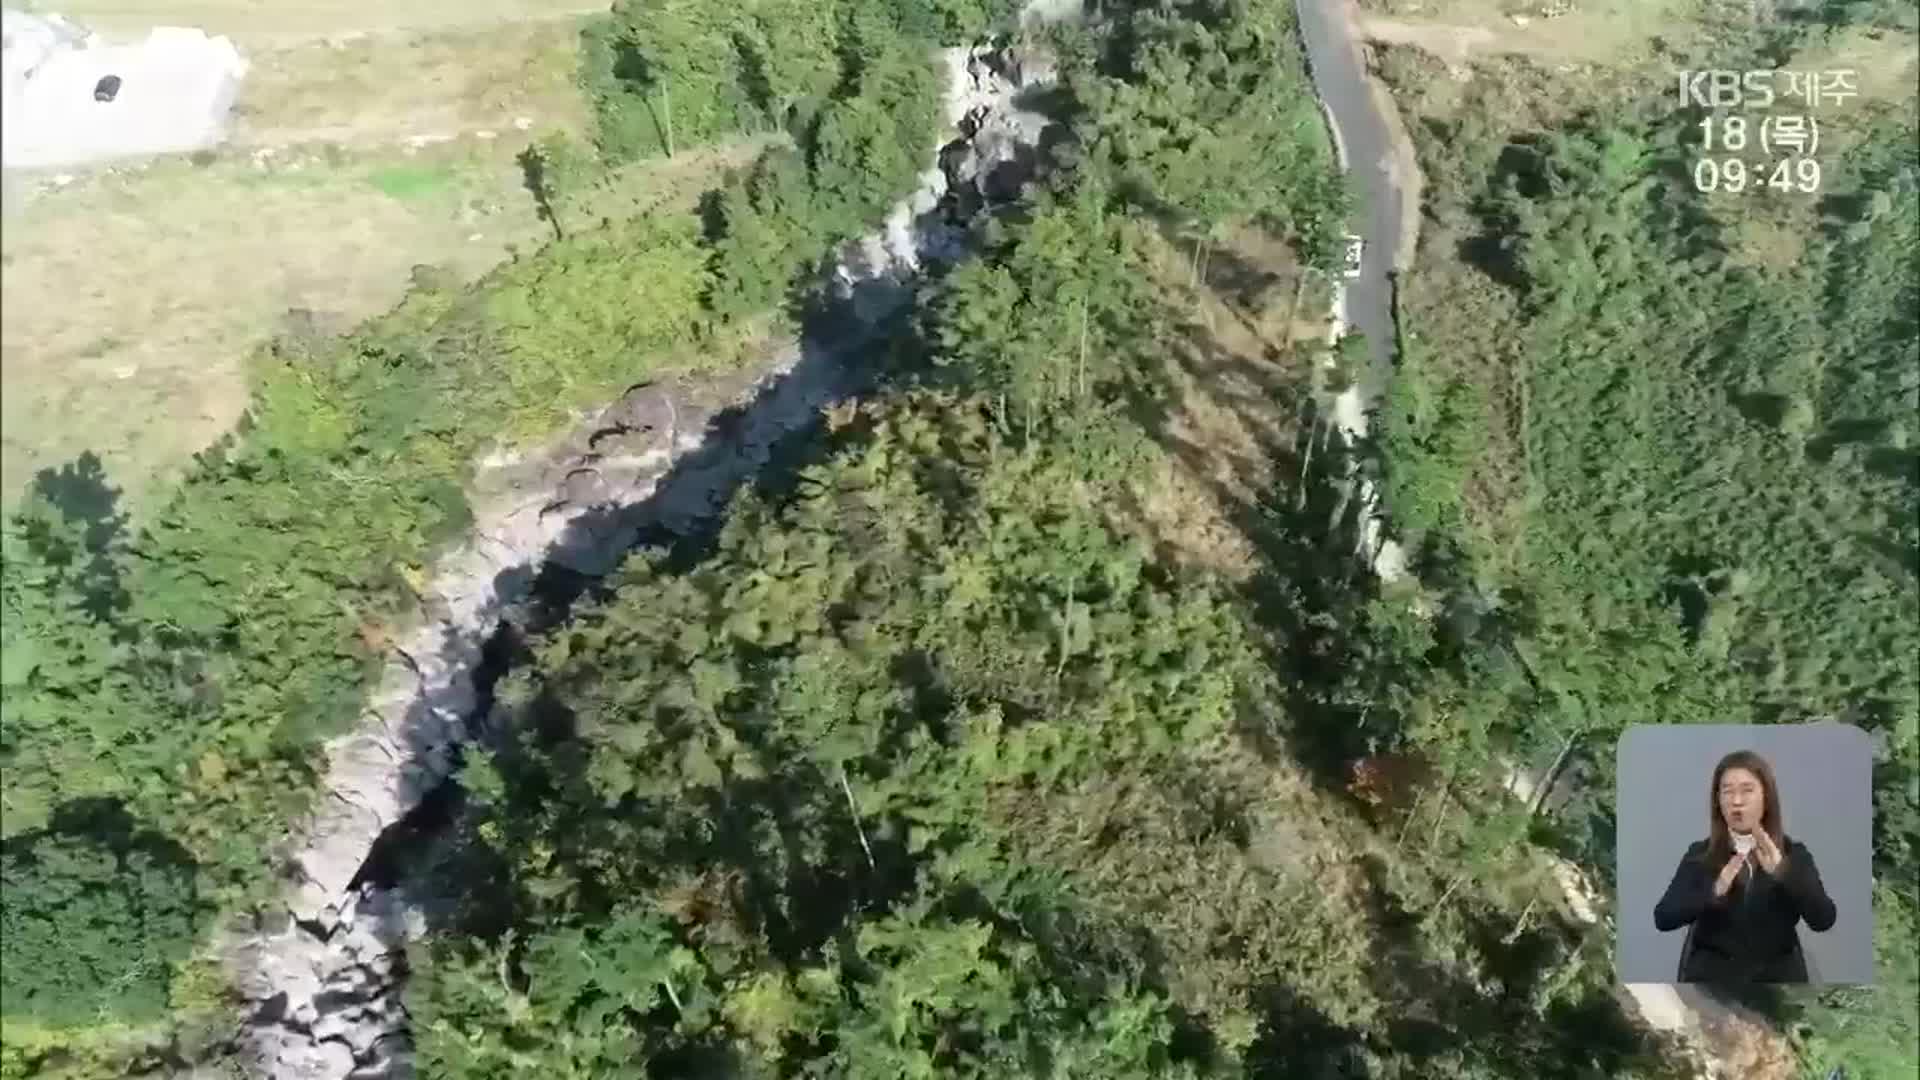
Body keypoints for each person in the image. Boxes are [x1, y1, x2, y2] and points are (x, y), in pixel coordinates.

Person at [1653, 748, 1837, 982]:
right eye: (1727, 792)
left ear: (1766, 797)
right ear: (1717, 801)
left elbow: (1823, 919)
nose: (1736, 802)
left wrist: (1784, 873)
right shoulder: (1700, 855)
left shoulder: (1793, 854)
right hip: (1712, 984)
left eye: (1747, 791)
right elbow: (1664, 917)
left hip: (1776, 983)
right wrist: (1713, 891)